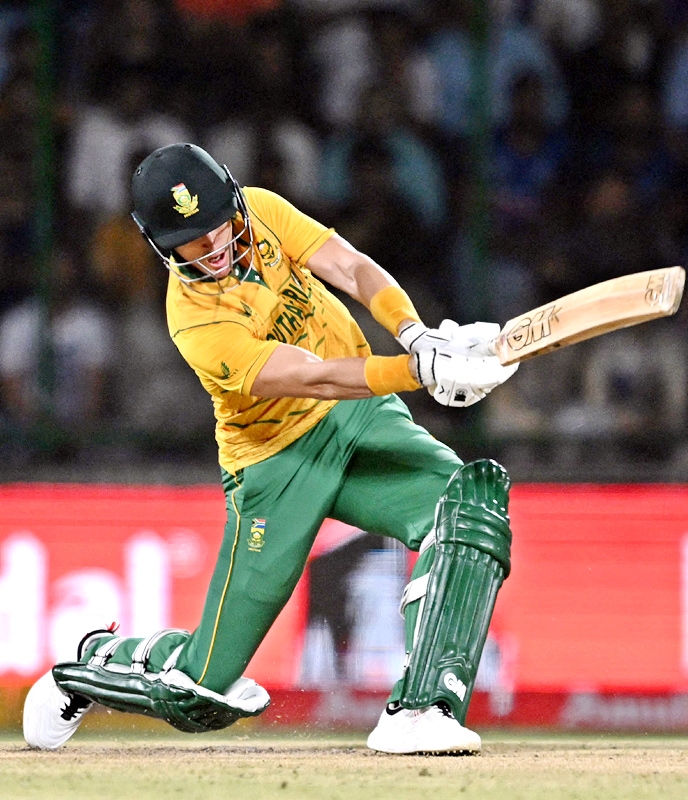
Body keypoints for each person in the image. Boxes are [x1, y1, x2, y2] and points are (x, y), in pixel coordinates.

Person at [22, 143, 519, 755]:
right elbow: (313, 375)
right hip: (277, 463)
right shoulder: (195, 322)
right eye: (191, 243)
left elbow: (353, 268)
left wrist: (415, 334)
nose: (214, 247)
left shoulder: (259, 210)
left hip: (360, 419)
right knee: (199, 692)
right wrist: (419, 371)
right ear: (160, 247)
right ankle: (95, 661)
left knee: (467, 510)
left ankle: (421, 710)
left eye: (218, 226)